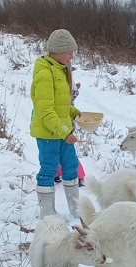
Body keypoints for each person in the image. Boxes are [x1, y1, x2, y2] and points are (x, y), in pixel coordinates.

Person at [31, 29, 82, 218]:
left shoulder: (61, 70)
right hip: (48, 134)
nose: (72, 55)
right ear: (59, 51)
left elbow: (59, 105)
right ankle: (48, 213)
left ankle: (76, 209)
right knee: (49, 169)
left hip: (61, 131)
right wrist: (63, 131)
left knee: (71, 165)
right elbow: (45, 110)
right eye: (69, 51)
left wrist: (74, 113)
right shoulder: (45, 74)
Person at [55, 74, 85, 187]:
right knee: (57, 153)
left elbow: (74, 94)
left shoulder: (66, 96)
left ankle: (80, 176)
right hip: (55, 127)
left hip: (66, 128)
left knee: (67, 153)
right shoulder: (59, 94)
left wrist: (75, 89)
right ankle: (56, 173)